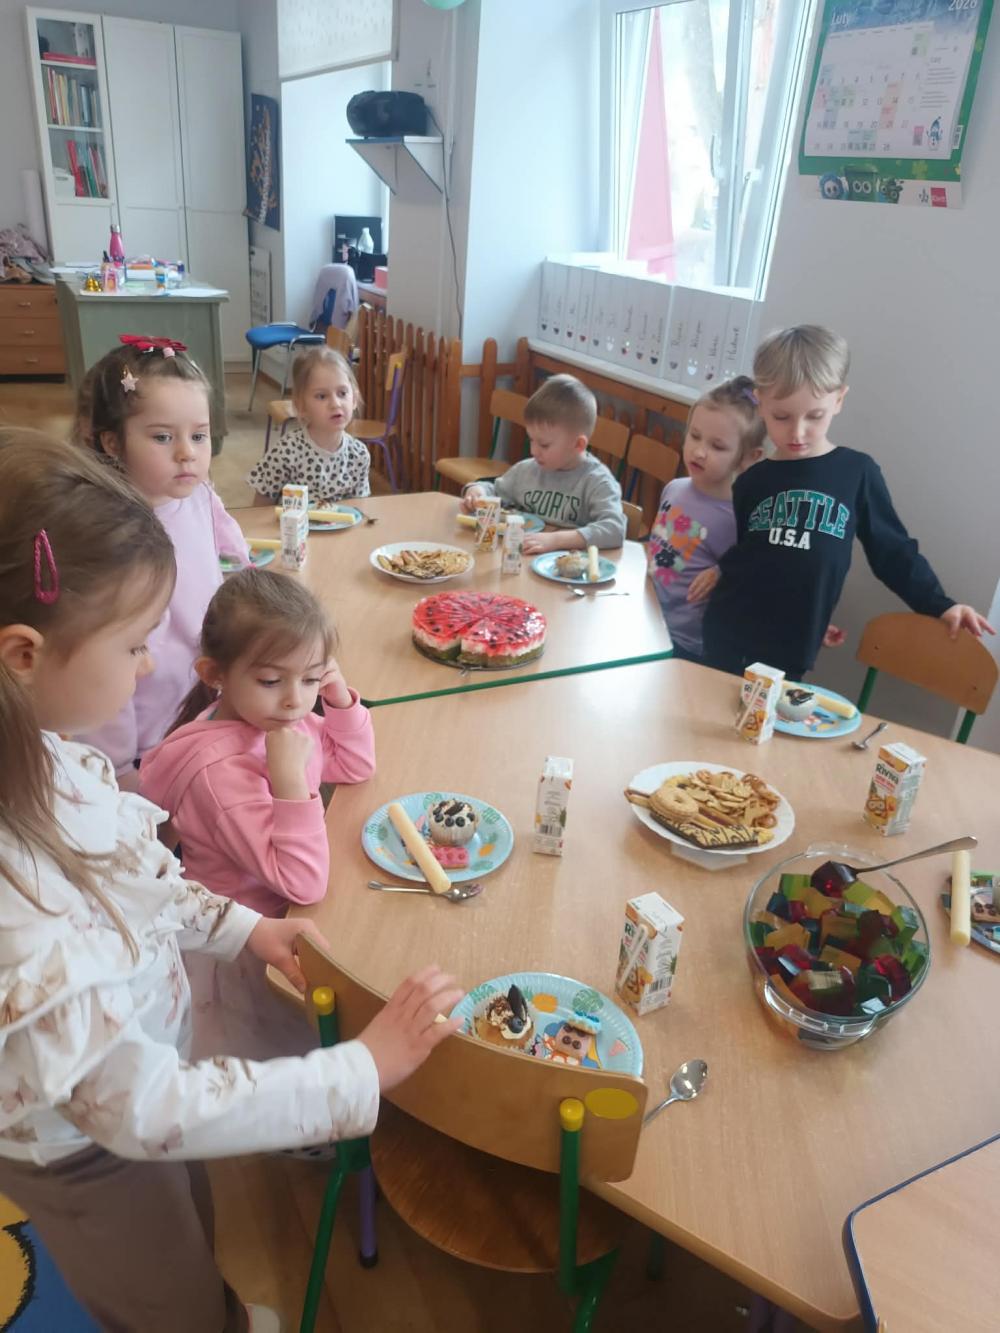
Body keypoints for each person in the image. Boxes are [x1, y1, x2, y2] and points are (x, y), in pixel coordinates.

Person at [0, 432, 461, 1333]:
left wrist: (243, 927)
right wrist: (360, 1069)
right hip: (83, 1149)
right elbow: (146, 1110)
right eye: (135, 644)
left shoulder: (48, 758)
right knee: (159, 1293)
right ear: (24, 653)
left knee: (188, 1225)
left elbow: (138, 878)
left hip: (142, 1079)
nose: (150, 667)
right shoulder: (16, 900)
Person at [140, 569, 375, 1060]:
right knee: (263, 1057)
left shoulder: (273, 717)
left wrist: (338, 700)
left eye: (311, 678)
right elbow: (303, 883)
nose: (295, 699)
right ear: (215, 675)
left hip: (282, 924)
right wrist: (291, 784)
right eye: (271, 680)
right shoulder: (220, 776)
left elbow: (355, 766)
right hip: (247, 950)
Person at [702, 325, 994, 680]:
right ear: (761, 402)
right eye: (781, 417)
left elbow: (892, 552)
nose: (797, 432)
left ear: (838, 400)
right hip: (727, 633)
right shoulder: (752, 481)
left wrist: (940, 604)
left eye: (814, 416)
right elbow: (756, 558)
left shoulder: (857, 473)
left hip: (789, 650)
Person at [74, 334, 250, 785]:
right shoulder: (108, 537)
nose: (187, 452)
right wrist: (117, 767)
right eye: (162, 437)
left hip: (204, 697)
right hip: (144, 730)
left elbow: (235, 560)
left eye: (199, 435)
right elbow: (98, 667)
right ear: (113, 442)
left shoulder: (200, 496)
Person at [648, 376, 765, 662]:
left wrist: (721, 572)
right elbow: (657, 554)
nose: (699, 451)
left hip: (689, 646)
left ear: (748, 457)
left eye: (717, 446)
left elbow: (749, 580)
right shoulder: (673, 489)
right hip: (648, 620)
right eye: (695, 436)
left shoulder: (736, 519)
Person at [461, 374, 626, 552]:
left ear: (578, 445)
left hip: (565, 562)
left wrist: (556, 540)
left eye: (544, 445)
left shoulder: (597, 481)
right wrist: (477, 491)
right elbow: (494, 490)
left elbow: (615, 529)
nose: (533, 451)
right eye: (531, 440)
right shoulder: (526, 470)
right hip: (522, 558)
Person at [247, 346, 370, 504]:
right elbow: (260, 506)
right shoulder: (287, 451)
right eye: (322, 396)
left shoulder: (359, 454)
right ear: (301, 406)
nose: (335, 404)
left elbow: (359, 509)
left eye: (342, 393)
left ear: (354, 399)